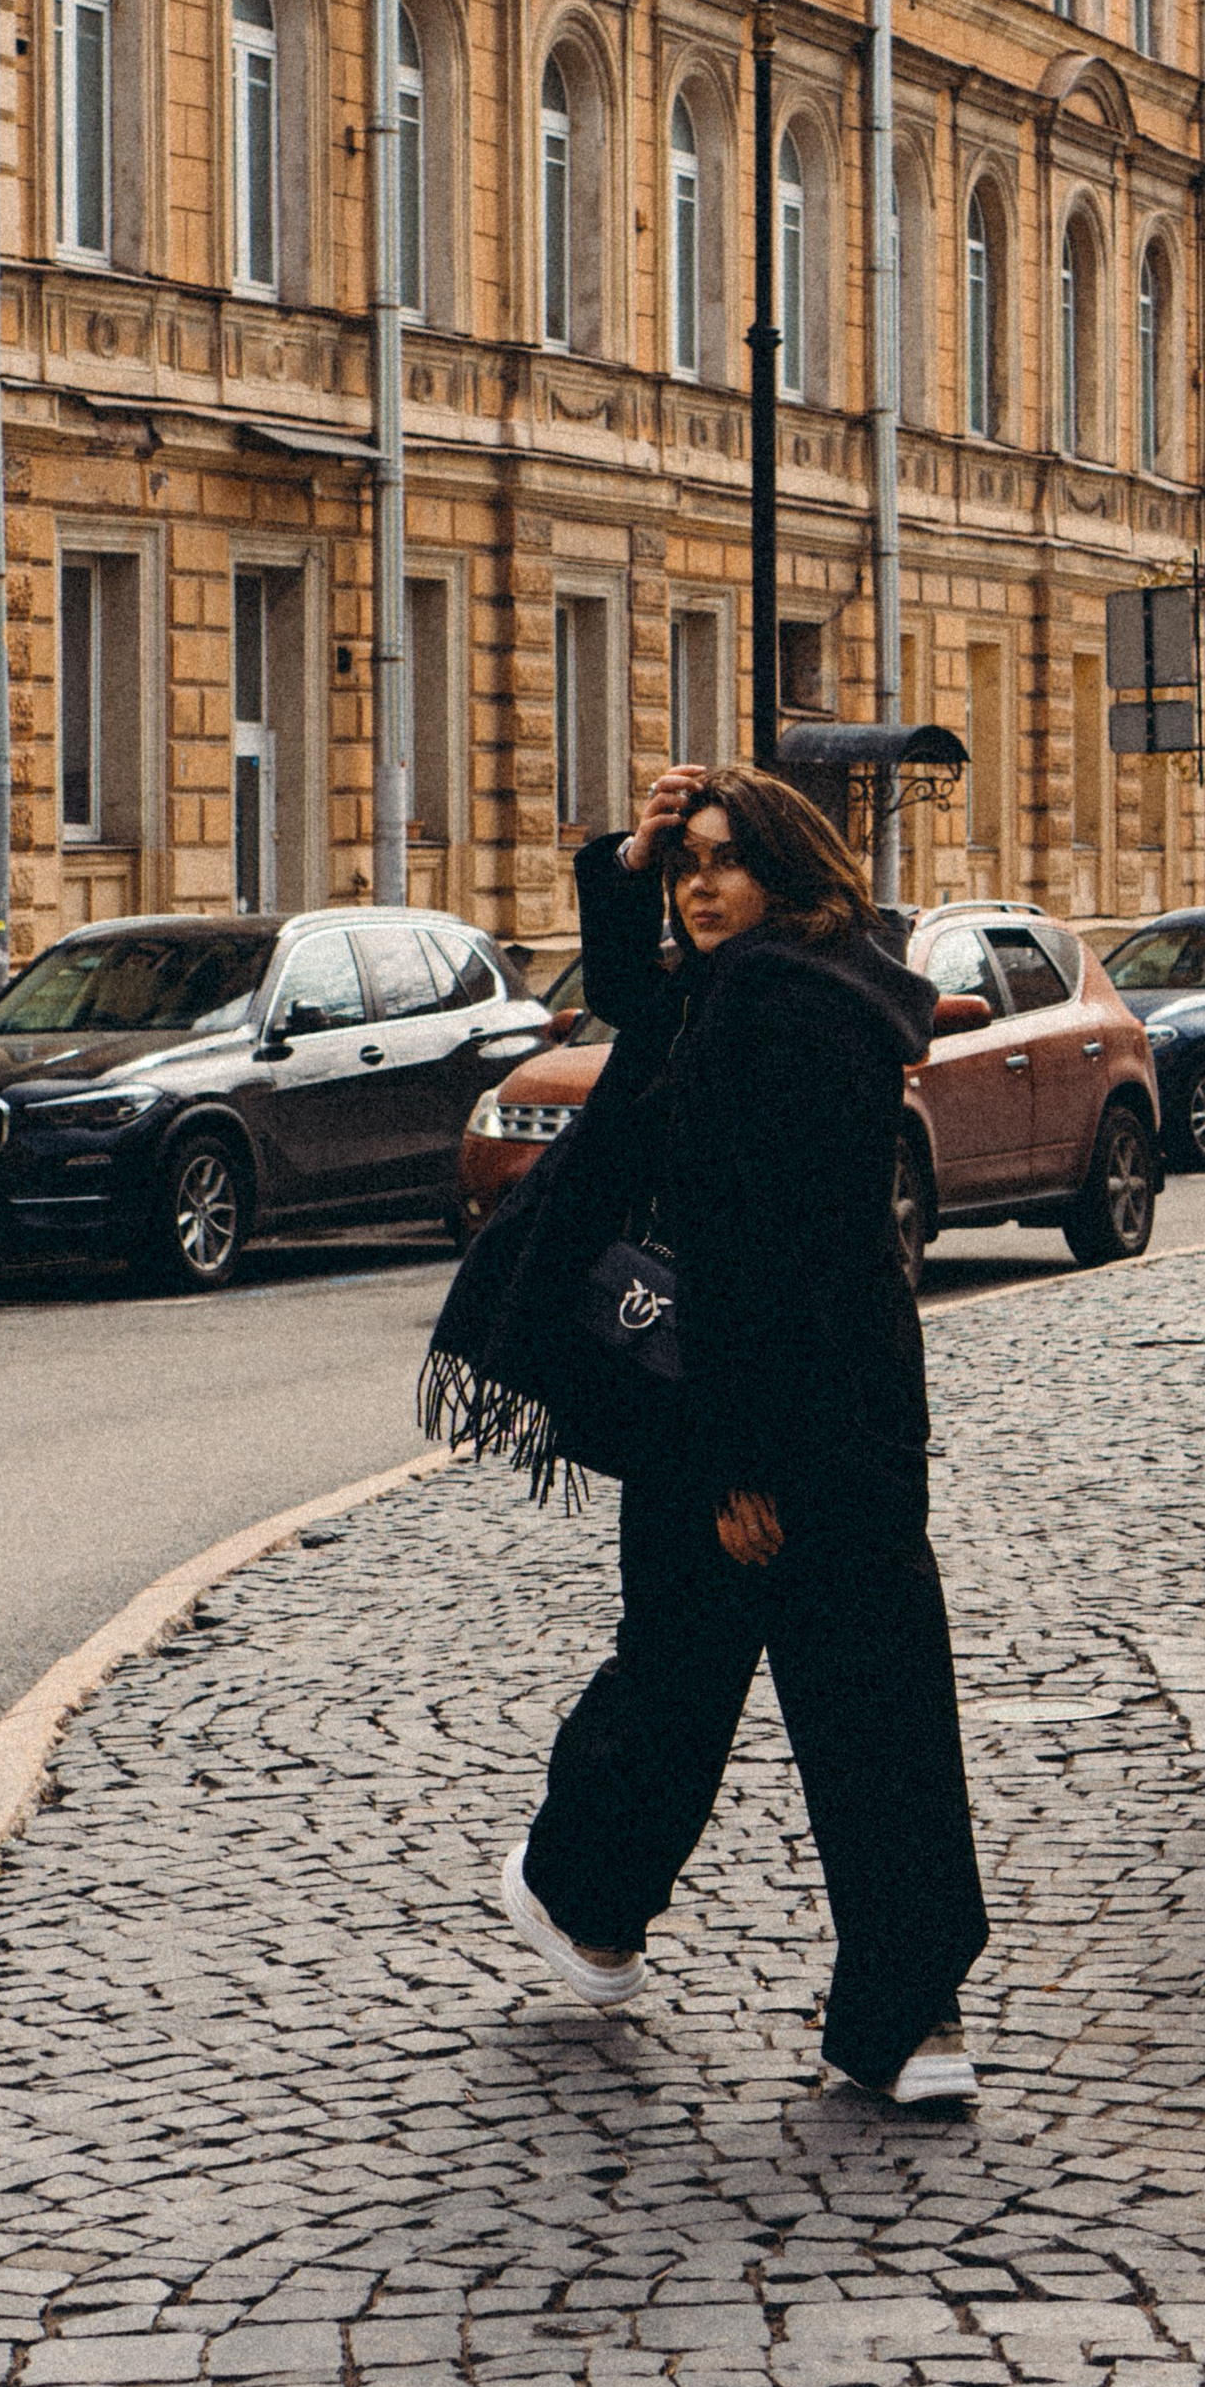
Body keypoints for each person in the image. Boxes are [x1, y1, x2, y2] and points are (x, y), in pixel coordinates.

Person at [421, 760, 990, 2104]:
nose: (699, 886)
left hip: (748, 1411)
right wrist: (631, 864)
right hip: (851, 1402)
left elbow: (760, 1254)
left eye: (726, 860)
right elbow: (637, 998)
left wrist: (743, 1464)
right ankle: (906, 2018)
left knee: (724, 1683)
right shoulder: (820, 980)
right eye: (689, 867)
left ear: (786, 871)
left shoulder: (761, 1015)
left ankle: (587, 1898)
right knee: (853, 1699)